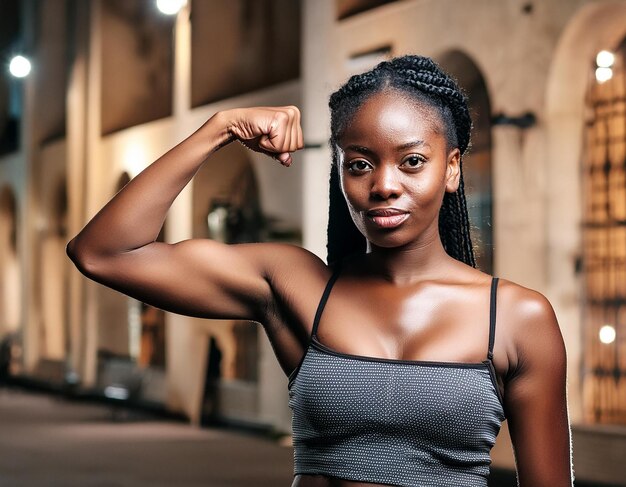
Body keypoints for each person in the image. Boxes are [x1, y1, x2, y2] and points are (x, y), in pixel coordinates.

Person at [67, 55, 573, 486]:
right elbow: (104, 253)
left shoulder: (515, 318)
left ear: (452, 168)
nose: (384, 185)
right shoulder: (296, 286)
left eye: (413, 161)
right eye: (360, 164)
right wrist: (218, 128)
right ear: (341, 173)